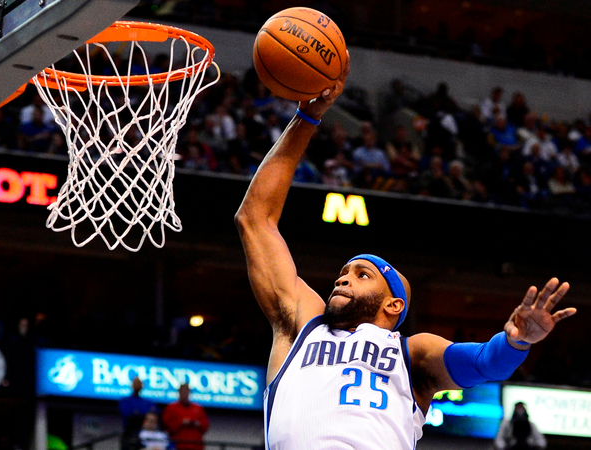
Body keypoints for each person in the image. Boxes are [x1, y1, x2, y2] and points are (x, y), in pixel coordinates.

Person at [234, 52, 577, 449]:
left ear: (394, 305)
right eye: (344, 272)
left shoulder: (413, 353)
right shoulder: (301, 322)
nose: (343, 277)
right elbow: (254, 218)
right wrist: (307, 118)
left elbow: (484, 363)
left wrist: (516, 341)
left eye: (362, 274)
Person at [162, 384, 209, 450]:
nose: (185, 394)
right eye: (183, 391)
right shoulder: (171, 408)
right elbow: (166, 426)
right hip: (178, 445)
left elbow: (205, 426)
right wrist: (181, 422)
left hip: (196, 445)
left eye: (186, 391)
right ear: (179, 392)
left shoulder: (198, 408)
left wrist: (197, 423)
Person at [119, 377, 159, 450]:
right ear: (132, 385)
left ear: (142, 386)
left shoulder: (148, 403)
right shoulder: (125, 401)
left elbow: (155, 414)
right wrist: (143, 415)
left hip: (147, 435)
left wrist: (138, 414)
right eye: (136, 383)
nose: (137, 385)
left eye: (139, 383)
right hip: (130, 435)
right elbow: (130, 418)